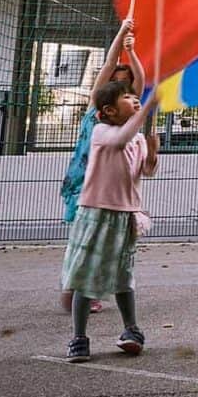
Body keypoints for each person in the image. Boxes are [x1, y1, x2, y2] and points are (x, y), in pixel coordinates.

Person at [62, 81, 160, 362]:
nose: (135, 99)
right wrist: (148, 108)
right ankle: (79, 337)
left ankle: (131, 329)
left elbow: (146, 171)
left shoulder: (138, 138)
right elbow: (120, 140)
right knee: (86, 276)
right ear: (109, 110)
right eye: (128, 97)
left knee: (123, 277)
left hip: (126, 215)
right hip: (96, 213)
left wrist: (152, 152)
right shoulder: (102, 131)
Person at [59, 19, 144, 314]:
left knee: (100, 241)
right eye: (115, 85)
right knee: (81, 237)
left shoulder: (125, 121)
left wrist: (132, 52)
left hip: (107, 187)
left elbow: (141, 84)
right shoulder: (95, 114)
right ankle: (76, 286)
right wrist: (121, 33)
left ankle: (84, 287)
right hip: (82, 180)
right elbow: (109, 63)